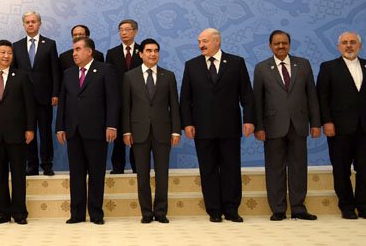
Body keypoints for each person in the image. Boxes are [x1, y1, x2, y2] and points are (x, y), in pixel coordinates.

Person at [180, 28, 254, 223]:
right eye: (199, 41)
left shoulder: (236, 63)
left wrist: (249, 119)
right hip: (202, 128)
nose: (201, 45)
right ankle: (213, 210)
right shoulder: (192, 65)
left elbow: (246, 95)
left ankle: (231, 209)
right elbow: (185, 99)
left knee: (231, 168)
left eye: (204, 41)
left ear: (217, 42)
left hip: (230, 127)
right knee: (208, 170)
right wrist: (187, 123)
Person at [253, 30, 321, 221]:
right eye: (277, 43)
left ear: (289, 45)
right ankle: (278, 209)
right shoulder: (262, 68)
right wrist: (259, 127)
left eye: (284, 43)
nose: (281, 46)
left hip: (299, 124)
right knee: (275, 168)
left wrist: (315, 123)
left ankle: (299, 208)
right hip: (273, 125)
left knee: (299, 167)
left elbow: (312, 97)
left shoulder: (303, 64)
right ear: (270, 46)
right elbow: (257, 100)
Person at [56, 37, 118, 225]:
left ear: (89, 51)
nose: (74, 53)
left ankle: (96, 213)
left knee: (96, 173)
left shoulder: (105, 70)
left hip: (97, 130)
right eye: (73, 50)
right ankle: (77, 214)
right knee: (76, 174)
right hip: (73, 131)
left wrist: (111, 125)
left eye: (78, 49)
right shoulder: (68, 73)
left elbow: (113, 100)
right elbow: (63, 102)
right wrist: (60, 126)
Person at [0, 40, 36, 224]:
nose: (6, 56)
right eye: (2, 52)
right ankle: (2, 213)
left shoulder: (21, 76)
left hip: (18, 133)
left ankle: (19, 213)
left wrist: (30, 128)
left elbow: (29, 105)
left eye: (9, 53)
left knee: (18, 175)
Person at [121, 38, 181, 224]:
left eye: (156, 50)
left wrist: (176, 131)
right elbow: (126, 107)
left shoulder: (168, 76)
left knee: (162, 174)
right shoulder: (129, 76)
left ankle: (161, 212)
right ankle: (146, 212)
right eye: (148, 50)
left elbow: (174, 105)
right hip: (139, 132)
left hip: (163, 132)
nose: (152, 54)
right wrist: (126, 131)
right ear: (141, 54)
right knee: (142, 175)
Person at [317, 31, 366, 219]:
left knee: (364, 169)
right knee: (341, 170)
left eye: (352, 42)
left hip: (364, 129)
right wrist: (326, 122)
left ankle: (363, 206)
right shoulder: (329, 67)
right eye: (344, 43)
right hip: (338, 128)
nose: (349, 46)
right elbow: (322, 97)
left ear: (359, 46)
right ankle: (346, 207)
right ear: (338, 47)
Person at [11, 11, 60, 176]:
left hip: (44, 96)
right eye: (27, 22)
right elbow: (14, 73)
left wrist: (55, 93)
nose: (30, 24)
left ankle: (47, 164)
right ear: (23, 25)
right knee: (27, 133)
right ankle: (31, 165)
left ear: (39, 24)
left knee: (45, 132)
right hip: (23, 99)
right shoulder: (16, 46)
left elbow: (55, 71)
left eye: (33, 21)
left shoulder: (50, 44)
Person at [105, 19, 142, 174]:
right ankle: (118, 166)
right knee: (119, 134)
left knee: (138, 134)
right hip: (118, 99)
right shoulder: (112, 53)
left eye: (127, 29)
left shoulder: (142, 50)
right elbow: (108, 78)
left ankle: (137, 165)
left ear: (135, 31)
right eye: (121, 30)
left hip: (139, 100)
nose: (124, 32)